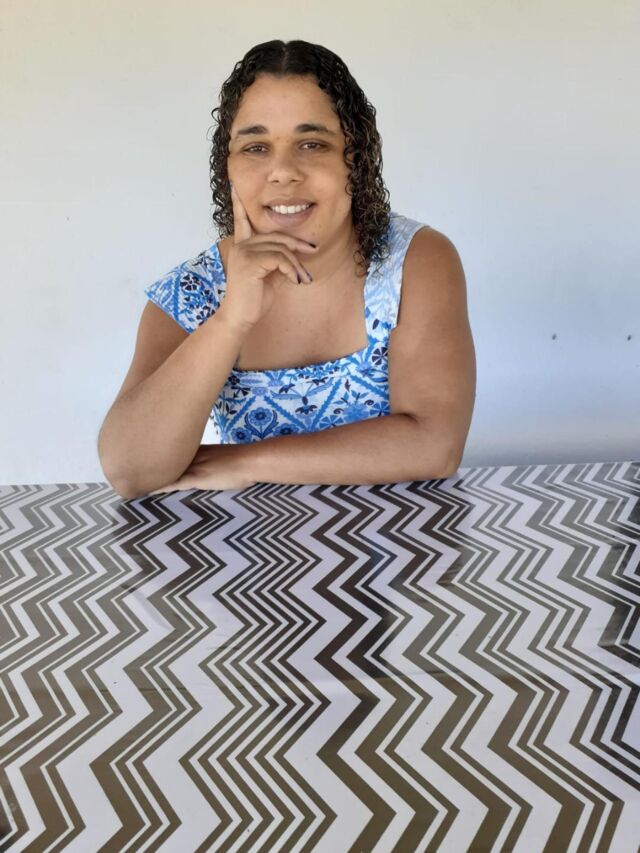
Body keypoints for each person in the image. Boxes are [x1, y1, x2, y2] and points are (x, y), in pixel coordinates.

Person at [97, 39, 476, 499]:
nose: (282, 171)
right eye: (256, 147)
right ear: (227, 167)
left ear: (356, 157)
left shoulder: (416, 261)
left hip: (402, 538)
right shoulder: (192, 293)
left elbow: (434, 444)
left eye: (312, 144)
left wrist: (245, 462)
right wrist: (232, 320)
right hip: (252, 542)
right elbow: (130, 470)